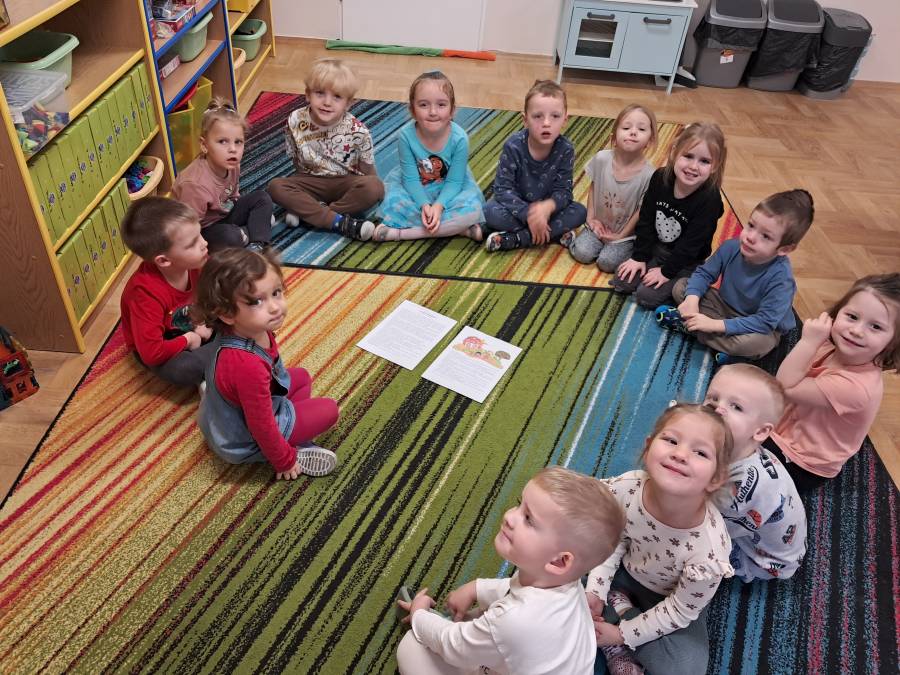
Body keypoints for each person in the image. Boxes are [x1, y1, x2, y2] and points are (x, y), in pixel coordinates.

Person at [396, 466, 625, 674]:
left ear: (559, 561)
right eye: (519, 504)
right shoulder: (565, 582)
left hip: (511, 639)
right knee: (489, 623)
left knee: (411, 648)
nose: (509, 516)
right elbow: (515, 590)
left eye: (528, 519)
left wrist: (419, 614)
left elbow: (451, 644)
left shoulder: (513, 620)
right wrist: (477, 588)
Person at [586, 403, 734, 675]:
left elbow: (680, 610)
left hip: (669, 597)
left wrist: (621, 635)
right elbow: (612, 538)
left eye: (700, 452)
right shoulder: (627, 487)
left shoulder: (709, 551)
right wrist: (595, 589)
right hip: (622, 569)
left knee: (685, 669)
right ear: (648, 448)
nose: (680, 454)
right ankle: (611, 609)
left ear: (716, 479)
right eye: (671, 440)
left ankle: (616, 621)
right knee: (562, 546)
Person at [192, 247, 340, 479]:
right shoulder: (246, 365)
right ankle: (292, 449)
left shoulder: (249, 329)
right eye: (256, 301)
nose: (274, 307)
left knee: (301, 377)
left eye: (276, 292)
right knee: (329, 410)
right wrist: (284, 461)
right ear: (227, 314)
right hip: (243, 440)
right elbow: (260, 425)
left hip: (228, 416)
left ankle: (292, 432)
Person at [767, 273, 900, 492]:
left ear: (893, 342)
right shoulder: (831, 347)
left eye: (876, 327)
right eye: (852, 316)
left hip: (801, 462)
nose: (856, 331)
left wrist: (808, 342)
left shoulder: (857, 388)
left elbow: (783, 386)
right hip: (784, 427)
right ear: (837, 313)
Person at [657, 189, 814, 363]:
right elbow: (704, 273)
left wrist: (714, 325)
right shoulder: (731, 247)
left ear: (785, 249)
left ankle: (691, 328)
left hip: (758, 325)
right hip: (724, 306)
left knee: (760, 343)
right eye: (751, 225)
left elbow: (764, 322)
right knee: (682, 287)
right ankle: (722, 346)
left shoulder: (782, 280)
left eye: (765, 236)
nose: (750, 237)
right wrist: (692, 300)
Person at [704, 364, 807, 582]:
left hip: (760, 560)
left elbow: (708, 530)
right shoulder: (739, 449)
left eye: (736, 407)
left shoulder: (741, 488)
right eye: (713, 398)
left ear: (760, 431)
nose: (717, 408)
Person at [610, 123, 727, 308]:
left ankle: (686, 281)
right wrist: (640, 257)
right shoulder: (660, 177)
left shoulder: (709, 200)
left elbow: (691, 246)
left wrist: (666, 273)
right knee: (622, 281)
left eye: (704, 161)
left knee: (645, 296)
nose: (693, 166)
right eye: (688, 156)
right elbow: (646, 219)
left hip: (686, 261)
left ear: (715, 166)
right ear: (674, 152)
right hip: (656, 248)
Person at [267, 57, 383, 241]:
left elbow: (368, 169)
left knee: (374, 187)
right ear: (307, 94)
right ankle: (337, 221)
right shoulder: (295, 120)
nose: (327, 102)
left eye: (337, 96)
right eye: (320, 93)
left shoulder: (359, 131)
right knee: (275, 186)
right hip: (310, 179)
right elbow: (296, 159)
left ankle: (312, 212)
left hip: (345, 181)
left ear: (348, 103)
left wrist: (377, 190)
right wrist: (302, 186)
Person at [373, 71, 485, 242]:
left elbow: (455, 181)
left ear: (452, 110)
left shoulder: (460, 138)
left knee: (473, 209)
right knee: (393, 202)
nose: (433, 112)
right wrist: (424, 205)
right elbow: (410, 179)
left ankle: (401, 233)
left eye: (441, 105)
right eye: (424, 105)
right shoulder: (405, 136)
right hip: (416, 186)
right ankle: (459, 229)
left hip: (450, 186)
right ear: (412, 110)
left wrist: (438, 206)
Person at [482, 80, 587, 252]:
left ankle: (516, 239)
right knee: (489, 211)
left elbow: (564, 192)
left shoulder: (566, 149)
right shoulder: (513, 145)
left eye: (555, 116)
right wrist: (529, 214)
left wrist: (547, 208)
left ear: (565, 120)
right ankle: (552, 234)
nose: (546, 123)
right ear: (525, 120)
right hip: (518, 209)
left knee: (580, 212)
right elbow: (502, 189)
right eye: (538, 116)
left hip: (548, 212)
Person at [120, 197, 213, 387]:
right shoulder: (144, 292)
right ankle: (228, 356)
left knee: (241, 312)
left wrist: (202, 322)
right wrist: (188, 339)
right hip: (166, 343)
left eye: (200, 234)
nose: (204, 243)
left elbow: (216, 290)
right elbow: (152, 353)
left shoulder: (197, 261)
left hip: (194, 323)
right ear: (163, 260)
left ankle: (223, 357)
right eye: (192, 243)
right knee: (185, 369)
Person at [561, 104, 657, 272]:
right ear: (614, 136)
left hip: (625, 235)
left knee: (607, 263)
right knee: (582, 253)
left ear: (650, 141)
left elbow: (641, 212)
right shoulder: (602, 159)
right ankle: (574, 239)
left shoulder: (650, 175)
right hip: (597, 226)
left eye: (641, 129)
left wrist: (621, 235)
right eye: (626, 128)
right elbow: (594, 187)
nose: (633, 132)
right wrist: (591, 219)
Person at [172, 97, 273, 252]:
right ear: (204, 145)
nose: (233, 149)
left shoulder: (232, 163)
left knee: (262, 198)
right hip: (202, 228)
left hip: (224, 215)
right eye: (222, 142)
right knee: (230, 236)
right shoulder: (194, 184)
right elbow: (188, 229)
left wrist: (241, 211)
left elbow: (233, 196)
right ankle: (252, 229)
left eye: (238, 142)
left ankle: (256, 244)